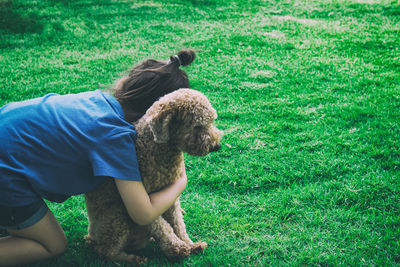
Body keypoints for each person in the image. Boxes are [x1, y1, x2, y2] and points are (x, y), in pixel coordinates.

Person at [0, 49, 196, 266]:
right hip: (5, 175)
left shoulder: (95, 99)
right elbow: (143, 213)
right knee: (53, 245)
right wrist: (180, 181)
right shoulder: (116, 137)